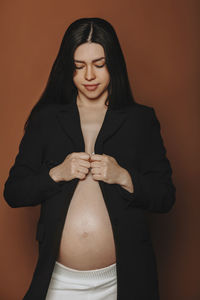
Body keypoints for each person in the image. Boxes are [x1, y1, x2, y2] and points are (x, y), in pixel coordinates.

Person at [3, 17, 176, 300]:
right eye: (79, 66)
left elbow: (166, 197)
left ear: (114, 64)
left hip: (123, 282)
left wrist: (124, 177)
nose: (89, 76)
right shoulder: (45, 119)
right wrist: (56, 173)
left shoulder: (140, 120)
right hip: (60, 281)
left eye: (99, 64)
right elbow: (14, 192)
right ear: (67, 68)